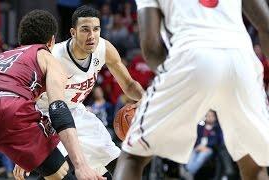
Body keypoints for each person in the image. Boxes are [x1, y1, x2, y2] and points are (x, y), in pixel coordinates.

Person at [113, 0, 269, 180]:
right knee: (254, 164)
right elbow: (265, 25)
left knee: (132, 157)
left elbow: (151, 48)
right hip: (242, 60)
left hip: (191, 53)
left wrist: (173, 84)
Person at [0, 10, 104, 180]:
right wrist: (81, 165)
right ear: (52, 41)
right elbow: (57, 109)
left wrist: (25, 152)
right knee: (60, 171)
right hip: (8, 107)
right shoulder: (46, 56)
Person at [15, 5, 144, 180]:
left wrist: (148, 101)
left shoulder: (104, 48)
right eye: (85, 30)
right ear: (73, 32)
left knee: (118, 163)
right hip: (47, 116)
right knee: (60, 171)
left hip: (76, 111)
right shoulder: (53, 55)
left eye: (96, 29)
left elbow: (128, 85)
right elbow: (25, 95)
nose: (91, 35)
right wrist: (25, 144)